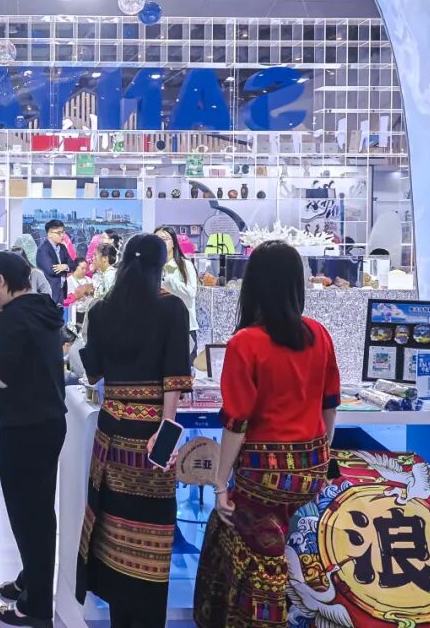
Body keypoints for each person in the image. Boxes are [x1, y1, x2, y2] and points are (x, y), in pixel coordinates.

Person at [193, 241, 339, 628]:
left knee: (247, 553)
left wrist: (220, 483)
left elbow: (237, 423)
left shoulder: (245, 343)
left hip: (264, 476)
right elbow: (330, 406)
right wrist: (320, 456)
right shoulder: (319, 334)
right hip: (311, 470)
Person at [76, 233, 192, 628]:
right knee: (151, 536)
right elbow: (174, 378)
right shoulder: (171, 308)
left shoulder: (102, 309)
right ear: (160, 266)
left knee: (112, 528)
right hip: (151, 437)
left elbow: (94, 373)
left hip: (111, 433)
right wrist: (167, 428)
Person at [0, 251, 67, 628]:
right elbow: (25, 359)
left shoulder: (12, 318)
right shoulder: (42, 310)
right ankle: (30, 580)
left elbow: (1, 377)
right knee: (38, 512)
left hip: (23, 427)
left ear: (2, 281)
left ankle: (36, 606)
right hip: (48, 423)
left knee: (28, 516)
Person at [156, 226, 199, 364]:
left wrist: (170, 281)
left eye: (164, 239)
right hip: (159, 327)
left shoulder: (185, 265)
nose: (160, 242)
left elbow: (191, 293)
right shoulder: (153, 267)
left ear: (173, 242)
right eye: (156, 239)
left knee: (185, 367)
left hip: (185, 326)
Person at [35, 219, 72, 303]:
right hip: (50, 291)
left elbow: (72, 264)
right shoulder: (43, 250)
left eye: (63, 232)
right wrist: (66, 268)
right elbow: (51, 270)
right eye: (59, 233)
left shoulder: (63, 247)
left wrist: (65, 266)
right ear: (49, 234)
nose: (62, 235)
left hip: (62, 290)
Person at [63, 257, 91, 329]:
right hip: (74, 314)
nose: (84, 271)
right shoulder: (69, 281)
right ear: (76, 267)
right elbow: (67, 300)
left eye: (86, 269)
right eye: (82, 268)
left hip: (87, 313)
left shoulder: (89, 280)